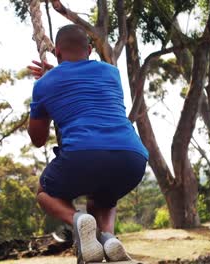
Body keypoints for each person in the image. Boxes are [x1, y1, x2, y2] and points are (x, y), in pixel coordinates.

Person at [27, 24, 149, 263]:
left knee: (44, 193)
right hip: (132, 159)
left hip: (83, 155)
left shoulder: (44, 84)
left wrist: (44, 94)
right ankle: (109, 240)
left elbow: (38, 139)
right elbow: (83, 86)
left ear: (57, 52)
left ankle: (79, 220)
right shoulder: (111, 72)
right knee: (104, 196)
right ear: (90, 50)